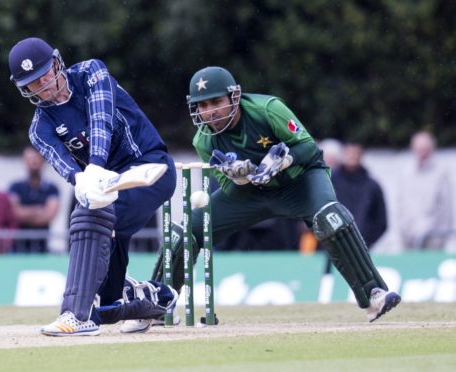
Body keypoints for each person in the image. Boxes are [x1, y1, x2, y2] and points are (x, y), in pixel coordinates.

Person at [143, 66, 401, 332]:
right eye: (203, 105)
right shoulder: (204, 141)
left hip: (299, 181)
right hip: (251, 194)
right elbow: (227, 189)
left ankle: (373, 295)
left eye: (216, 102)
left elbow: (308, 146)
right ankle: (154, 306)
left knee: (331, 218)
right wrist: (238, 178)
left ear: (234, 97)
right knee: (184, 231)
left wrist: (283, 160)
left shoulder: (267, 109)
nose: (210, 111)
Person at [8, 37, 178, 336]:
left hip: (150, 167)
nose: (43, 86)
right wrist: (80, 180)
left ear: (57, 64)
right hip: (107, 185)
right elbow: (63, 165)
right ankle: (155, 297)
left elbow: (102, 122)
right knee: (108, 303)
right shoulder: (39, 127)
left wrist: (95, 167)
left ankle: (74, 315)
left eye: (45, 75)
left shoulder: (91, 73)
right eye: (33, 84)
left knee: (90, 215)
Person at [398, 131, 452, 249]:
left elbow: (445, 209)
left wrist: (435, 232)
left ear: (431, 150)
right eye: (419, 149)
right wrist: (406, 228)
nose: (422, 153)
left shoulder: (440, 173)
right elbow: (402, 204)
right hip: (409, 237)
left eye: (425, 149)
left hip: (433, 238)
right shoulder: (407, 173)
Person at [332, 142, 387, 249]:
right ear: (343, 155)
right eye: (349, 153)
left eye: (355, 153)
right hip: (331, 246)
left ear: (361, 155)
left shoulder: (372, 186)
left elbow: (381, 221)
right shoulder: (330, 183)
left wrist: (366, 239)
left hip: (362, 248)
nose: (352, 156)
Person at [8, 146, 60, 253]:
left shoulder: (52, 189)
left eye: (36, 158)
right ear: (24, 161)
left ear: (43, 160)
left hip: (42, 247)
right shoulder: (15, 187)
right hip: (17, 248)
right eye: (29, 158)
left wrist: (25, 213)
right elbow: (14, 213)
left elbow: (48, 216)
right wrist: (37, 211)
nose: (33, 162)